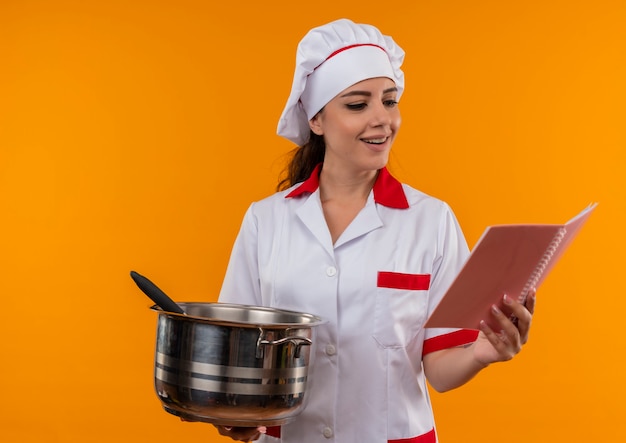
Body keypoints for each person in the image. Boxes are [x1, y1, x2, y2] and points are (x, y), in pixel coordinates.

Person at [215, 18, 535, 443]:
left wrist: (483, 352)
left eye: (390, 100)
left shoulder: (431, 221)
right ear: (316, 120)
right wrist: (229, 412)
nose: (383, 119)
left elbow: (439, 370)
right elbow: (237, 360)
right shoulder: (265, 221)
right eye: (357, 104)